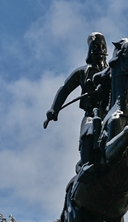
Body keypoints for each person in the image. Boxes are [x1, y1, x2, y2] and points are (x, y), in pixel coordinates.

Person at [44, 32, 111, 170]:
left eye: (101, 47)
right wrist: (54, 109)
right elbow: (65, 89)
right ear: (90, 51)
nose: (98, 50)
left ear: (106, 50)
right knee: (88, 133)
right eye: (95, 47)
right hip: (91, 114)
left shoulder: (112, 71)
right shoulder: (82, 72)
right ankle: (86, 167)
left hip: (110, 113)